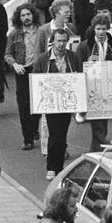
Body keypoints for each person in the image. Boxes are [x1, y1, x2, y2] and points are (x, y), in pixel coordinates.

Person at [30, 28, 83, 180]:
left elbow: (78, 78)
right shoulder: (42, 59)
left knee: (62, 134)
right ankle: (52, 167)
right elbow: (36, 81)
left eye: (64, 41)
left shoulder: (73, 57)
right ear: (52, 41)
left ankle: (58, 167)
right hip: (51, 103)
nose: (61, 44)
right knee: (54, 134)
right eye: (58, 40)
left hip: (66, 103)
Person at [78, 12, 112, 152]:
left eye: (103, 28)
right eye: (98, 29)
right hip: (93, 89)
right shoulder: (84, 46)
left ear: (108, 29)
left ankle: (104, 149)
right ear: (93, 29)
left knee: (109, 121)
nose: (101, 32)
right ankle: (96, 152)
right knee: (98, 125)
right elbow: (78, 69)